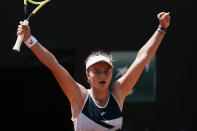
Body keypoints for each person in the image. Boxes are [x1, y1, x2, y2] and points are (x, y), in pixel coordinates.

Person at [17, 12, 170, 131]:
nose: (102, 75)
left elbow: (142, 59)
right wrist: (29, 39)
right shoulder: (79, 96)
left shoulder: (118, 92)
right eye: (97, 71)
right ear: (87, 75)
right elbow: (54, 65)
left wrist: (161, 29)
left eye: (106, 70)